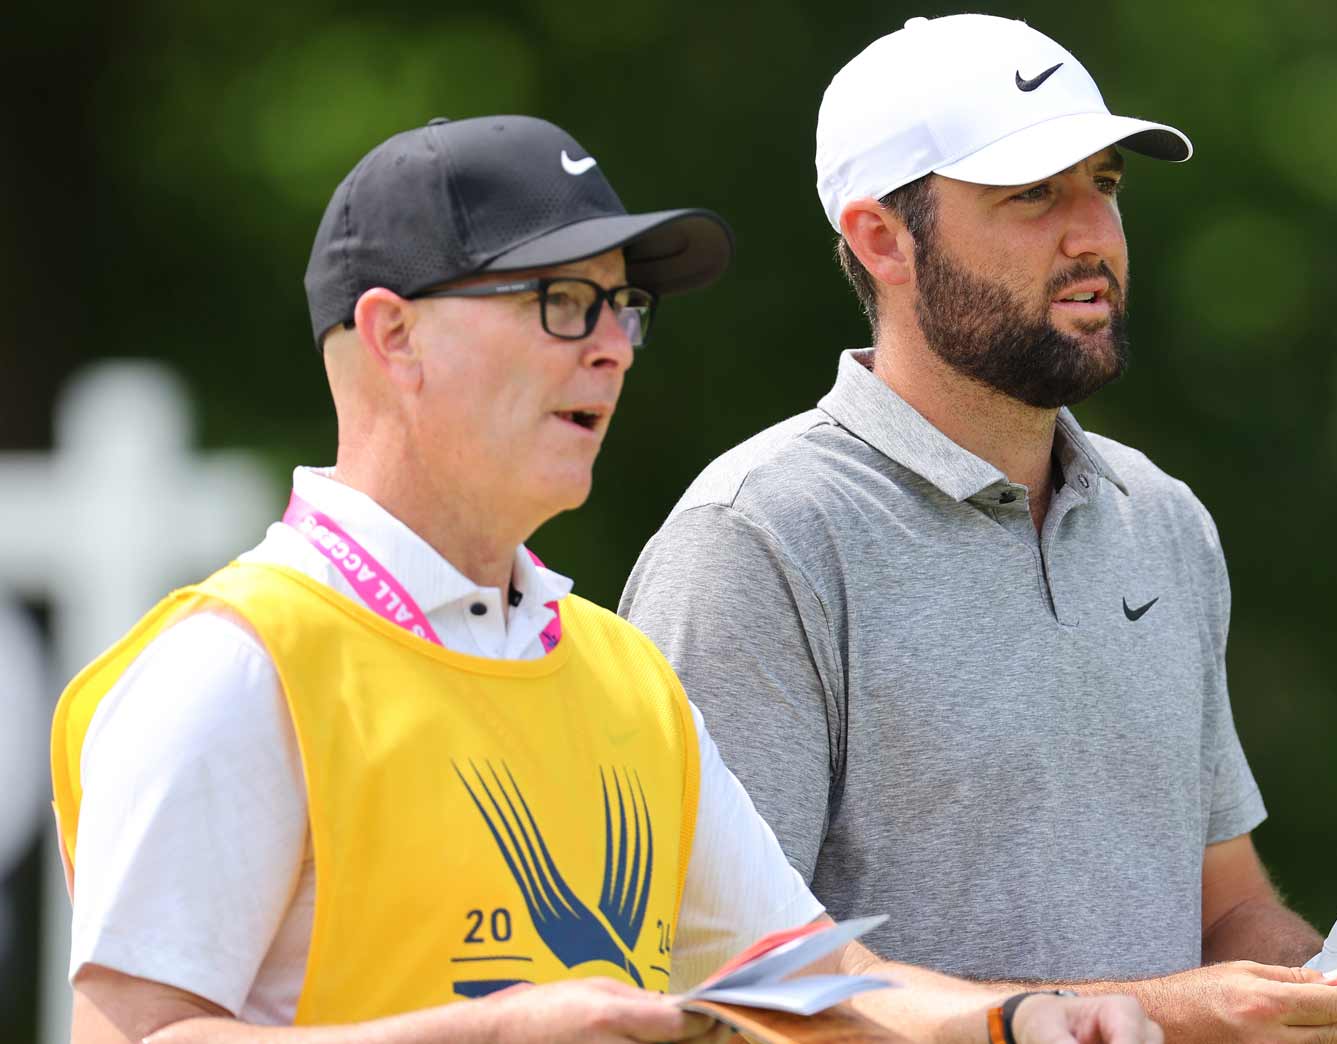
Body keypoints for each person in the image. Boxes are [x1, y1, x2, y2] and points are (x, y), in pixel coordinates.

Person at [48, 114, 1157, 1044]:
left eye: (623, 307)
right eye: (559, 303)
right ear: (393, 337)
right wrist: (487, 1032)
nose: (613, 348)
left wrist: (1021, 1022)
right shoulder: (236, 666)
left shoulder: (619, 672)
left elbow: (795, 987)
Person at [619, 15, 1337, 1044]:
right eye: (1030, 194)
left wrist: (1316, 978)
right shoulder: (758, 538)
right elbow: (732, 975)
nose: (1091, 235)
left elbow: (1219, 900)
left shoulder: (1161, 523)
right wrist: (1151, 1018)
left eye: (1102, 184)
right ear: (880, 237)